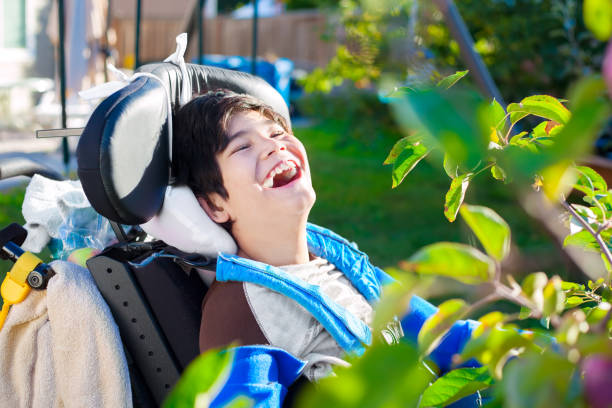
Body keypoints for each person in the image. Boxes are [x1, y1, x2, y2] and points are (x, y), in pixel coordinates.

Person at [171, 90, 479, 407]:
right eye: (243, 146)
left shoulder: (341, 264)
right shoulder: (238, 310)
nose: (273, 145)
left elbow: (443, 336)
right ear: (215, 205)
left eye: (277, 133)